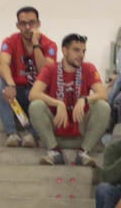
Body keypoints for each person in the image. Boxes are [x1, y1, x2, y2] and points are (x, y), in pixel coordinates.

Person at [28, 31, 110, 164]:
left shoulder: (88, 68)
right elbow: (33, 94)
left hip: (81, 133)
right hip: (56, 129)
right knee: (36, 105)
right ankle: (54, 152)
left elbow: (103, 94)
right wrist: (58, 103)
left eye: (83, 51)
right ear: (64, 50)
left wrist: (84, 99)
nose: (81, 55)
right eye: (76, 50)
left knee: (103, 106)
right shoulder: (51, 68)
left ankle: (84, 152)